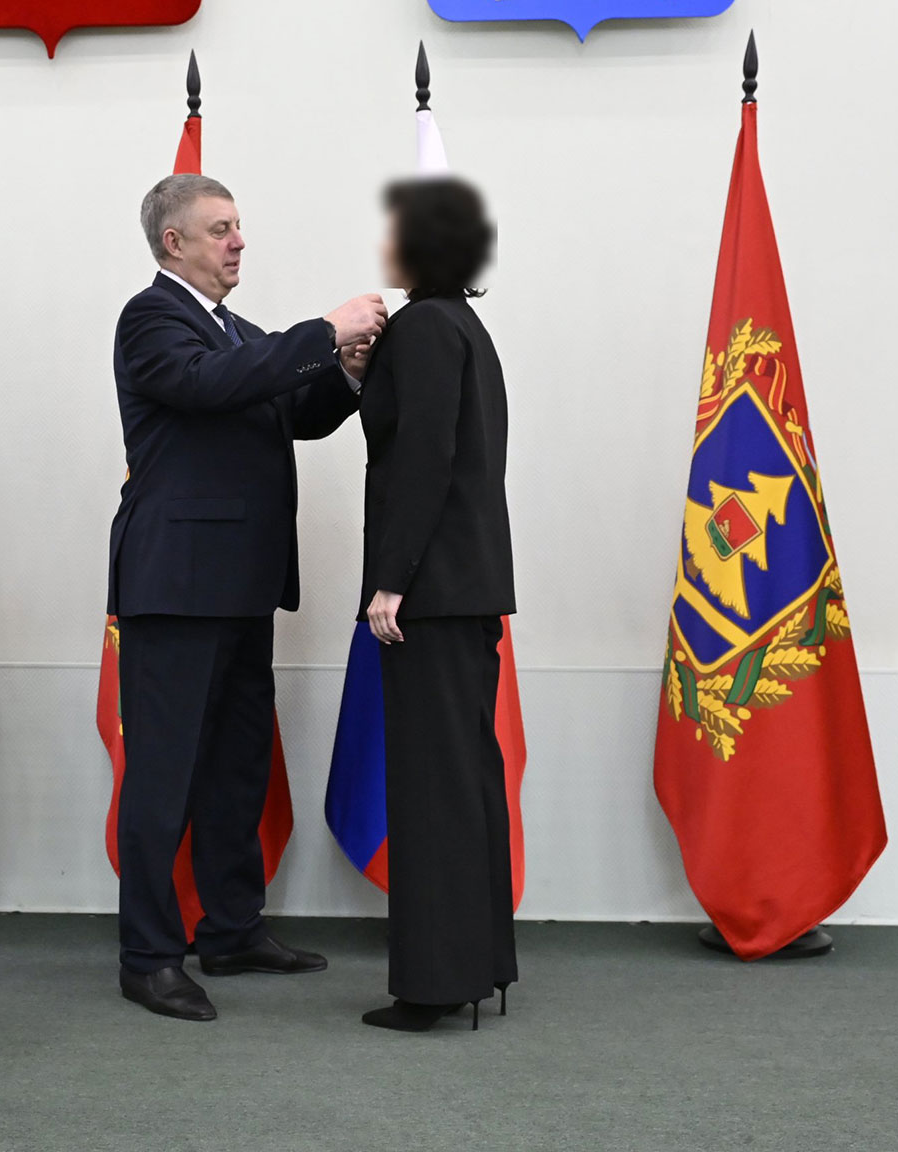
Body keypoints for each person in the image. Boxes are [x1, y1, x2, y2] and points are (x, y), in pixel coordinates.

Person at [108, 173, 386, 1022]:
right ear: (174, 244)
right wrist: (324, 331)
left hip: (239, 584)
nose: (238, 242)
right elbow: (211, 384)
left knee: (236, 770)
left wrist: (345, 371)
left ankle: (230, 930)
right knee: (163, 779)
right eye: (220, 229)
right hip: (174, 586)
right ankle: (149, 957)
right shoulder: (151, 319)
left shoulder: (239, 331)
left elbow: (295, 408)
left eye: (238, 227)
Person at [355, 176, 517, 1033]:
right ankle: (478, 964)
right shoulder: (462, 325)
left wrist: (393, 578)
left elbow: (422, 456)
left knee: (430, 786)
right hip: (468, 585)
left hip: (431, 589)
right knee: (464, 777)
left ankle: (433, 984)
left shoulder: (422, 327)